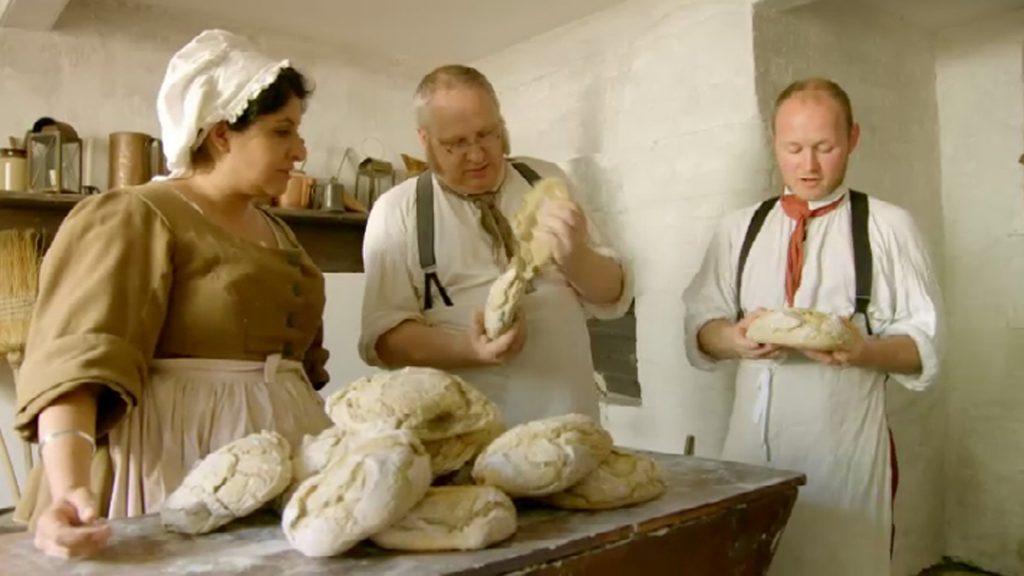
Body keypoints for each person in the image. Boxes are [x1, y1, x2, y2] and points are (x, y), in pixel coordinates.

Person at [14, 29, 332, 558]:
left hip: (277, 463)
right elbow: (77, 361)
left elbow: (303, 365)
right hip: (172, 456)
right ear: (221, 134)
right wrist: (70, 488)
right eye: (282, 131)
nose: (300, 151)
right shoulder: (138, 214)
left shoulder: (280, 233)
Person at [682, 78, 942, 575]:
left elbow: (924, 348)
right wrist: (734, 339)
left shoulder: (888, 227)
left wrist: (862, 350)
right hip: (749, 457)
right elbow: (699, 329)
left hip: (845, 457)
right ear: (774, 143)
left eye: (825, 147)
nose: (809, 165)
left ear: (853, 138)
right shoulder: (738, 228)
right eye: (794, 148)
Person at [359, 65, 632, 426]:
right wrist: (468, 349)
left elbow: (612, 294)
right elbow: (384, 341)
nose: (477, 155)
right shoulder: (396, 211)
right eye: (456, 143)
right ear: (424, 140)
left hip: (569, 421)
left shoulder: (546, 179)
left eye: (487, 133)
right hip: (463, 435)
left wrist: (575, 255)